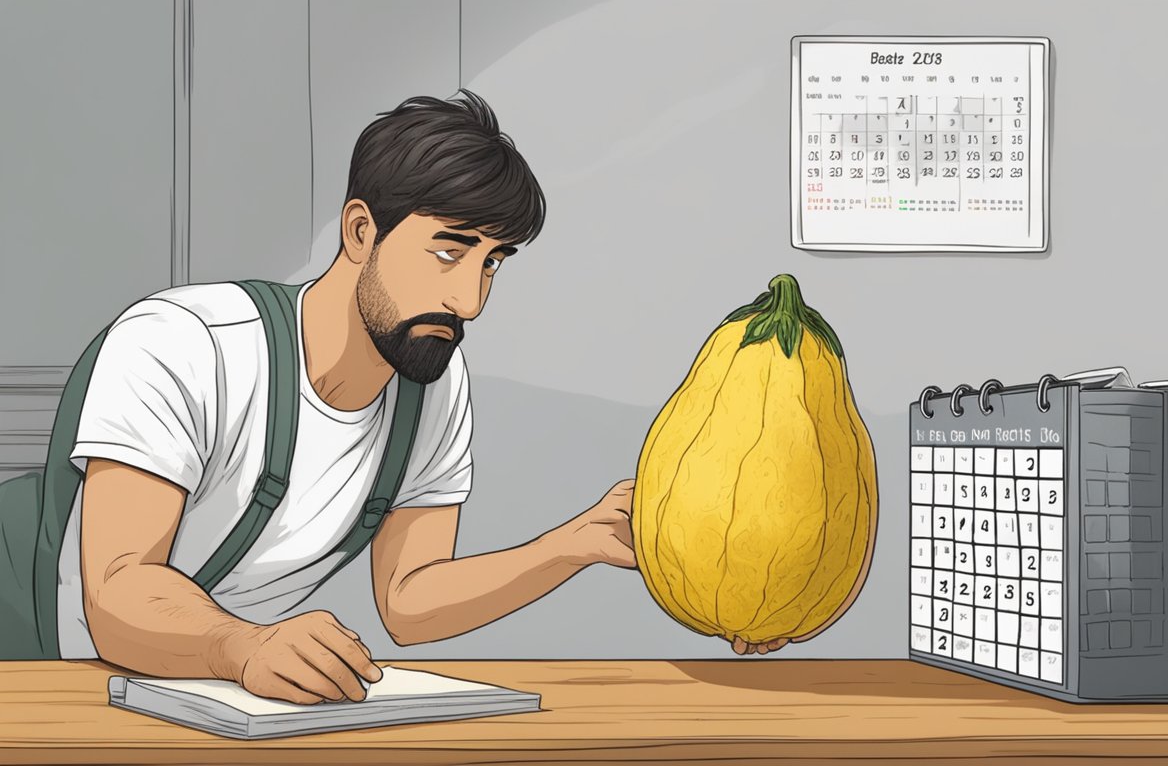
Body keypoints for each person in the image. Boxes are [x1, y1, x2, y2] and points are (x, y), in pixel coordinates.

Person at [61, 90, 781, 706]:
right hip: (62, 673)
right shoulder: (186, 342)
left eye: (492, 262)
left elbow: (409, 601)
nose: (469, 299)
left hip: (240, 693)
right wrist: (244, 647)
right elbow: (119, 590)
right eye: (449, 249)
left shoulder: (430, 381)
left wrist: (576, 544)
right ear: (360, 230)